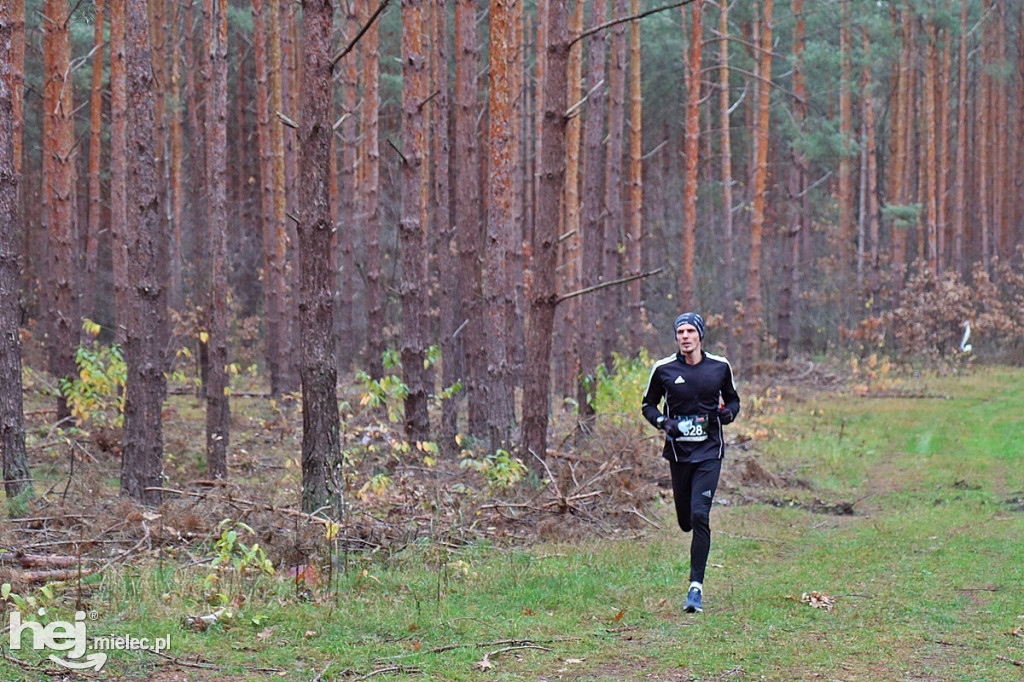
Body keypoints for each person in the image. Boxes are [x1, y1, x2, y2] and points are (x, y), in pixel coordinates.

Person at [641, 312, 740, 613]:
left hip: (710, 452)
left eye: (689, 331)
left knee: (700, 516)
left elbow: (733, 400)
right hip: (679, 454)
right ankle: (687, 521)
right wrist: (662, 422)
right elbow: (648, 405)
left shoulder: (719, 367)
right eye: (679, 331)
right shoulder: (664, 369)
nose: (684, 336)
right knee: (685, 520)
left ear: (700, 335)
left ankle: (695, 588)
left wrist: (728, 415)